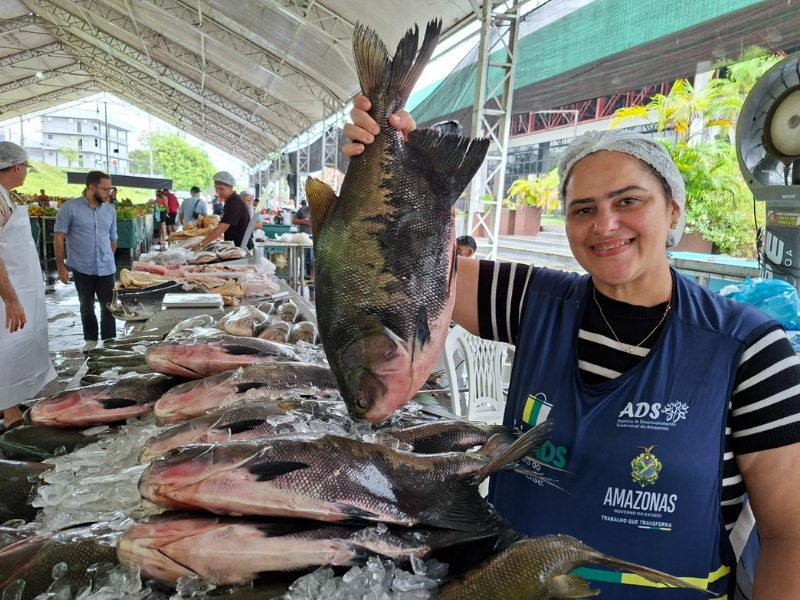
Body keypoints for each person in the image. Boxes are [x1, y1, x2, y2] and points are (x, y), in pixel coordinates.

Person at [343, 95, 800, 598]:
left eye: (628, 201)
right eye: (584, 209)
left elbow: (789, 535)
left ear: (673, 211)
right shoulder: (530, 300)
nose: (605, 224)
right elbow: (397, 272)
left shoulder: (750, 351)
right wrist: (387, 161)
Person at [0, 143, 56, 428]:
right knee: (6, 347)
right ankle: (9, 412)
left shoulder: (6, 196)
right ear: (17, 166)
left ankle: (12, 401)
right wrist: (9, 299)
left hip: (19, 287)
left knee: (18, 344)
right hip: (6, 291)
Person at [54, 171, 118, 353]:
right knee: (86, 305)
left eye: (110, 189)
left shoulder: (110, 211)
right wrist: (61, 267)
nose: (109, 193)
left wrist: (109, 258)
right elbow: (59, 238)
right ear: (92, 187)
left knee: (109, 306)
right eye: (105, 189)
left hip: (106, 267)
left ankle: (110, 342)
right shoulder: (70, 208)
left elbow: (113, 238)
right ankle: (90, 339)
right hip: (82, 267)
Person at [193, 171, 252, 250]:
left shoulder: (235, 202)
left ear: (230, 187)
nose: (218, 192)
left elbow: (222, 227)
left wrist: (200, 245)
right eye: (216, 188)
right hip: (235, 245)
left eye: (221, 189)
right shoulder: (230, 200)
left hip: (242, 247)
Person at [292, 199, 314, 282]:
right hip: (302, 239)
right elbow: (294, 221)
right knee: (301, 258)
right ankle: (300, 278)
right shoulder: (302, 210)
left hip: (313, 239)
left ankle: (312, 279)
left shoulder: (320, 211)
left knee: (313, 259)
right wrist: (304, 221)